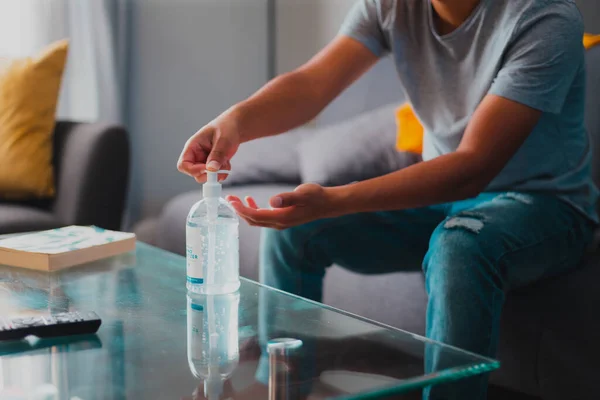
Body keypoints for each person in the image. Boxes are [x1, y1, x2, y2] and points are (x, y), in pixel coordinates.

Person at [178, 0, 598, 398]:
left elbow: (472, 167)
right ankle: (283, 388)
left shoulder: (544, 19)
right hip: (444, 202)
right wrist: (233, 122)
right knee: (295, 227)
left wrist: (334, 200)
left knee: (460, 246)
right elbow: (312, 84)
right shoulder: (392, 5)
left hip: (546, 205)